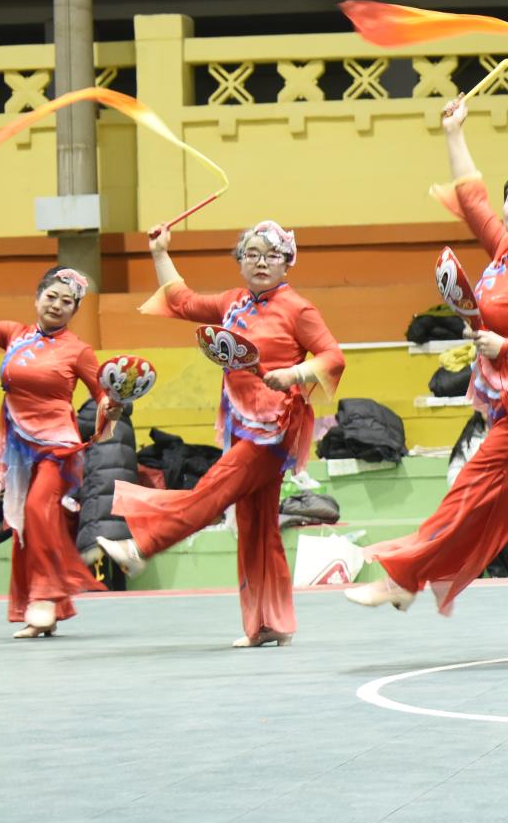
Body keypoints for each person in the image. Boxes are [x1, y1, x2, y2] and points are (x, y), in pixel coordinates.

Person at [348, 100, 508, 662]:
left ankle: (406, 577)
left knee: (473, 488)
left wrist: (506, 346)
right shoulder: (506, 251)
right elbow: (472, 195)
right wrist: (453, 132)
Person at [101, 220, 346, 648]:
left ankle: (143, 545)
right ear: (240, 262)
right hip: (242, 424)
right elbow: (181, 301)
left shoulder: (298, 309)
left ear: (287, 262)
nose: (261, 262)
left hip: (274, 430)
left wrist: (293, 373)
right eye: (252, 254)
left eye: (272, 255)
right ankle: (269, 623)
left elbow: (333, 356)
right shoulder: (233, 303)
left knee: (212, 490)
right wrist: (160, 253)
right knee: (256, 527)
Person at [0, 268, 107, 637]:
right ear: (37, 299)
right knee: (22, 521)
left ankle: (46, 599)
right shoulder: (14, 335)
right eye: (51, 297)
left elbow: (103, 394)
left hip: (58, 448)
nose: (57, 305)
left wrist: (111, 408)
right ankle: (41, 607)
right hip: (19, 450)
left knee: (37, 510)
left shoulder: (78, 350)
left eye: (66, 302)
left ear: (74, 311)